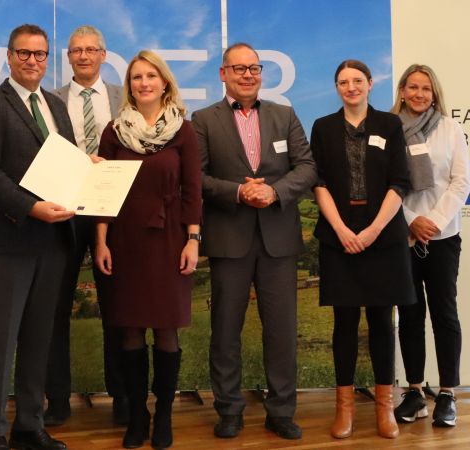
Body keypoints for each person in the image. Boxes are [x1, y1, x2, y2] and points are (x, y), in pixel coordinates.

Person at [191, 42, 315, 440]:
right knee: (225, 330)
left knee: (281, 330)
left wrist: (274, 192)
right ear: (223, 74)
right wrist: (238, 193)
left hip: (278, 239)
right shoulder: (203, 119)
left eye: (255, 68)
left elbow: (307, 167)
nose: (248, 74)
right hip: (230, 239)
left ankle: (281, 411)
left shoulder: (285, 115)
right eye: (239, 68)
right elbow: (198, 179)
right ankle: (229, 411)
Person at [0, 23, 76, 450]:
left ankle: (30, 424)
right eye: (24, 53)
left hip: (54, 240)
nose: (33, 61)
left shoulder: (56, 106)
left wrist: (89, 168)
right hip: (8, 239)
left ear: (48, 60)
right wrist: (30, 207)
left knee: (38, 338)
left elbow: (63, 164)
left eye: (40, 54)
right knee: (0, 339)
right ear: (9, 57)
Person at [93, 50, 202, 450]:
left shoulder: (184, 131)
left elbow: (193, 190)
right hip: (124, 241)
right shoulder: (114, 131)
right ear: (130, 86)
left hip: (171, 239)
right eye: (136, 77)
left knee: (166, 333)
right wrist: (101, 240)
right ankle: (138, 416)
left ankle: (165, 417)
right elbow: (100, 191)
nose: (143, 83)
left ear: (165, 82)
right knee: (131, 332)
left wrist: (193, 240)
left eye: (150, 76)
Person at [309, 59, 415, 439]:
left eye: (357, 81)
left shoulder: (390, 125)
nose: (350, 87)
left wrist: (372, 230)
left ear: (370, 84)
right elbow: (318, 181)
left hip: (382, 234)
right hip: (339, 234)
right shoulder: (323, 127)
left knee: (382, 323)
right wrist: (340, 229)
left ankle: (385, 408)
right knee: (345, 323)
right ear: (336, 87)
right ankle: (345, 410)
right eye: (343, 82)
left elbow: (400, 182)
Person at [45, 25, 125, 426]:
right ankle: (57, 398)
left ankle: (122, 397)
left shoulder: (124, 98)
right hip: (65, 210)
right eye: (76, 50)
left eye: (91, 49)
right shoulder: (50, 100)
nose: (83, 56)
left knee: (119, 306)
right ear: (69, 57)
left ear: (104, 55)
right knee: (55, 307)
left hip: (114, 212)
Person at [390, 63, 470, 428]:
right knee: (409, 316)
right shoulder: (390, 129)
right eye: (413, 87)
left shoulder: (451, 129)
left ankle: (448, 394)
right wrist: (411, 220)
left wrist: (432, 222)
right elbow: (386, 185)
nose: (419, 94)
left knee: (444, 315)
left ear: (434, 92)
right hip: (402, 235)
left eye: (426, 88)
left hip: (443, 237)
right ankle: (415, 392)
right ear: (402, 91)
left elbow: (461, 183)